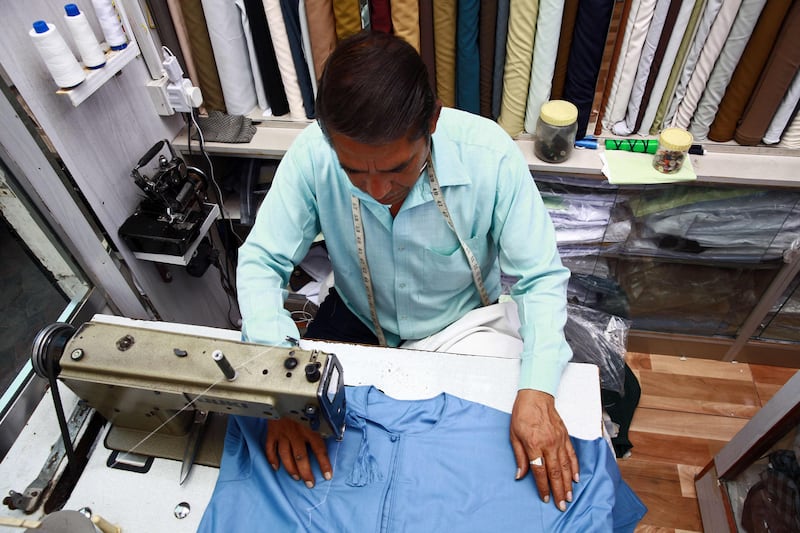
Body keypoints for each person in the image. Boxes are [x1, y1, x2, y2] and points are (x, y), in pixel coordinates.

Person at [236, 30, 578, 511]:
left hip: (459, 325)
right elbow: (262, 261)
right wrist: (280, 388)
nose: (377, 189)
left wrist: (538, 389)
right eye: (355, 172)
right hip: (358, 316)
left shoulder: (491, 157)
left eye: (397, 168)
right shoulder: (314, 155)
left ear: (432, 121)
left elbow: (540, 278)